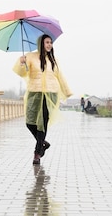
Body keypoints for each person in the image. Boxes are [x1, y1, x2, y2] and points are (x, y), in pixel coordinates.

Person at [13, 34, 73, 165]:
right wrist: (21, 63)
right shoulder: (30, 57)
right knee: (30, 122)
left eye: (51, 42)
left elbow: (60, 76)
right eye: (47, 42)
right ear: (41, 43)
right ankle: (43, 143)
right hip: (35, 92)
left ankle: (37, 153)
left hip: (50, 93)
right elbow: (23, 73)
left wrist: (67, 91)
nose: (49, 45)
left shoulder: (53, 60)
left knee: (42, 122)